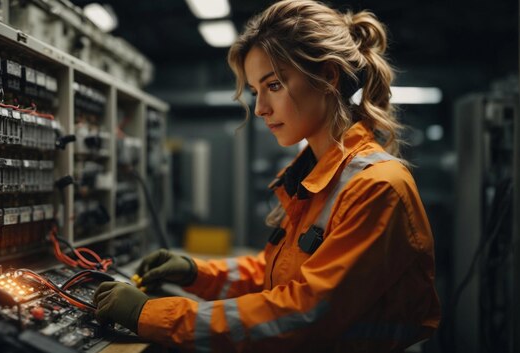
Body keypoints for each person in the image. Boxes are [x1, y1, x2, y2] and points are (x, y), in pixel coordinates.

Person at [92, 0, 441, 351]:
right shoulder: (317, 176)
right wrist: (195, 272)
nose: (259, 108)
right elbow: (278, 277)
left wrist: (151, 315)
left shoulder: (377, 187)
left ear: (328, 76)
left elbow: (304, 313)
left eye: (273, 85)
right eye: (256, 92)